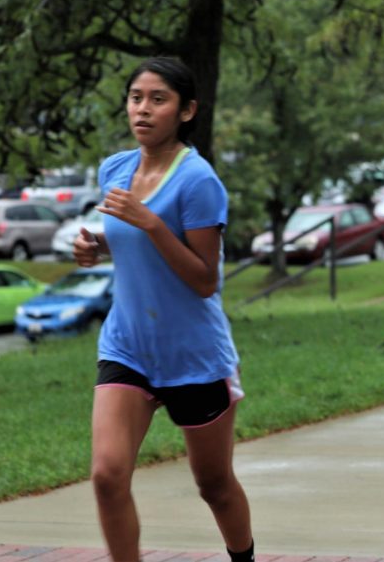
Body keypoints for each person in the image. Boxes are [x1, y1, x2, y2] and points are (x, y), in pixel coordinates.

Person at [73, 57, 254, 562]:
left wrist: (150, 222)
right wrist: (98, 247)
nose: (143, 110)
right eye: (136, 98)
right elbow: (129, 238)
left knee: (213, 485)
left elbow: (203, 279)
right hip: (127, 346)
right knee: (108, 475)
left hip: (193, 355)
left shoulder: (198, 181)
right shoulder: (116, 168)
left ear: (186, 110)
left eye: (159, 99)